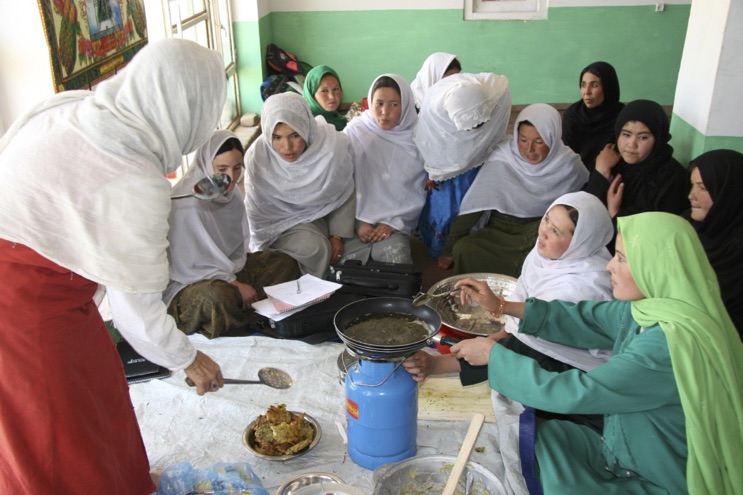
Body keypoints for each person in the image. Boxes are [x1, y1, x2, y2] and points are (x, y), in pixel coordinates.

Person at [0, 39, 227, 494]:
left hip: (58, 292)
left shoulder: (74, 108)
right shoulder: (136, 177)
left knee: (102, 387)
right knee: (56, 426)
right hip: (23, 309)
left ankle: (122, 480)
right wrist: (189, 359)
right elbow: (134, 312)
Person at [450, 212, 743, 494]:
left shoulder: (669, 343)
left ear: (655, 267)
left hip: (656, 472)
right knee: (528, 442)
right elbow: (582, 318)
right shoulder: (651, 308)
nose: (609, 266)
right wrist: (501, 305)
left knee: (538, 467)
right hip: (621, 444)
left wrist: (495, 356)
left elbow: (578, 392)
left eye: (622, 259)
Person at [404, 191, 614, 387]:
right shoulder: (552, 257)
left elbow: (534, 331)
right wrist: (494, 333)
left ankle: (436, 365)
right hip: (534, 337)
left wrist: (491, 339)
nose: (544, 232)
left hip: (575, 371)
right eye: (547, 219)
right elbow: (523, 319)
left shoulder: (580, 288)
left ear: (580, 242)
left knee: (512, 354)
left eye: (556, 231)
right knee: (496, 346)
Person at [165, 130, 300, 338]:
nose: (230, 177)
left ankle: (243, 314)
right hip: (192, 283)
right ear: (205, 164)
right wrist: (234, 283)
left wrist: (236, 279)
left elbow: (238, 251)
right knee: (216, 298)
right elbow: (189, 266)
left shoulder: (231, 194)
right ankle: (242, 319)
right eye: (222, 168)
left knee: (283, 263)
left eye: (237, 168)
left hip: (229, 271)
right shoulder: (185, 204)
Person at [443, 103, 589, 277]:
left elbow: (580, 211)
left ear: (553, 138)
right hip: (499, 230)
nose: (529, 150)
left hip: (538, 231)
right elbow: (476, 206)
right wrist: (449, 248)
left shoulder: (569, 166)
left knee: (546, 254)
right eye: (523, 140)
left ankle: (519, 299)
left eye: (539, 141)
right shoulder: (503, 158)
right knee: (464, 249)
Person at [244, 92, 356, 277]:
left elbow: (344, 192)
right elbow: (257, 212)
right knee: (315, 248)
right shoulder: (259, 158)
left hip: (327, 215)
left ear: (307, 128)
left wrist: (337, 235)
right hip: (280, 226)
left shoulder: (330, 149)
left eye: (295, 135)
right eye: (277, 137)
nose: (287, 147)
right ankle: (307, 297)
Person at [414, 72, 512, 263]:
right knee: (443, 209)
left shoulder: (494, 98)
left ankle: (451, 250)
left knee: (465, 207)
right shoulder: (436, 111)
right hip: (444, 170)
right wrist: (435, 172)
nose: (472, 132)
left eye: (478, 124)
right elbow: (432, 146)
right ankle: (437, 248)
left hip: (475, 168)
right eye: (468, 128)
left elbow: (485, 136)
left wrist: (473, 153)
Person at [342, 74, 427, 264]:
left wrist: (392, 223)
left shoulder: (418, 139)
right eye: (378, 103)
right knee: (341, 268)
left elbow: (416, 191)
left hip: (394, 226)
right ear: (369, 102)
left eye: (394, 105)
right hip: (352, 223)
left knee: (398, 261)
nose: (384, 112)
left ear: (405, 106)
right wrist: (358, 223)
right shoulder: (355, 132)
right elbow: (340, 182)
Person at [584, 99, 688, 224]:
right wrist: (601, 171)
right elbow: (585, 212)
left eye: (643, 137)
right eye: (626, 135)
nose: (632, 144)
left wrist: (616, 214)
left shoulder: (672, 179)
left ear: (658, 139)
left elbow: (661, 231)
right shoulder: (611, 161)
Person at [685, 149, 743, 336]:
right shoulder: (687, 226)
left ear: (728, 191)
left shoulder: (738, 248)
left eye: (703, 188)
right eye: (692, 185)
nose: (691, 196)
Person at [561, 61, 624, 172]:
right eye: (583, 85)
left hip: (610, 177)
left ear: (608, 87)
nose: (587, 92)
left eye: (594, 85)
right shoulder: (573, 115)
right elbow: (565, 157)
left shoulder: (621, 117)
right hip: (573, 177)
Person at [302, 65, 347, 131]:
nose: (331, 96)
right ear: (311, 94)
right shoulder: (308, 125)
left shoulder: (338, 119)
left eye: (335, 89)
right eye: (324, 91)